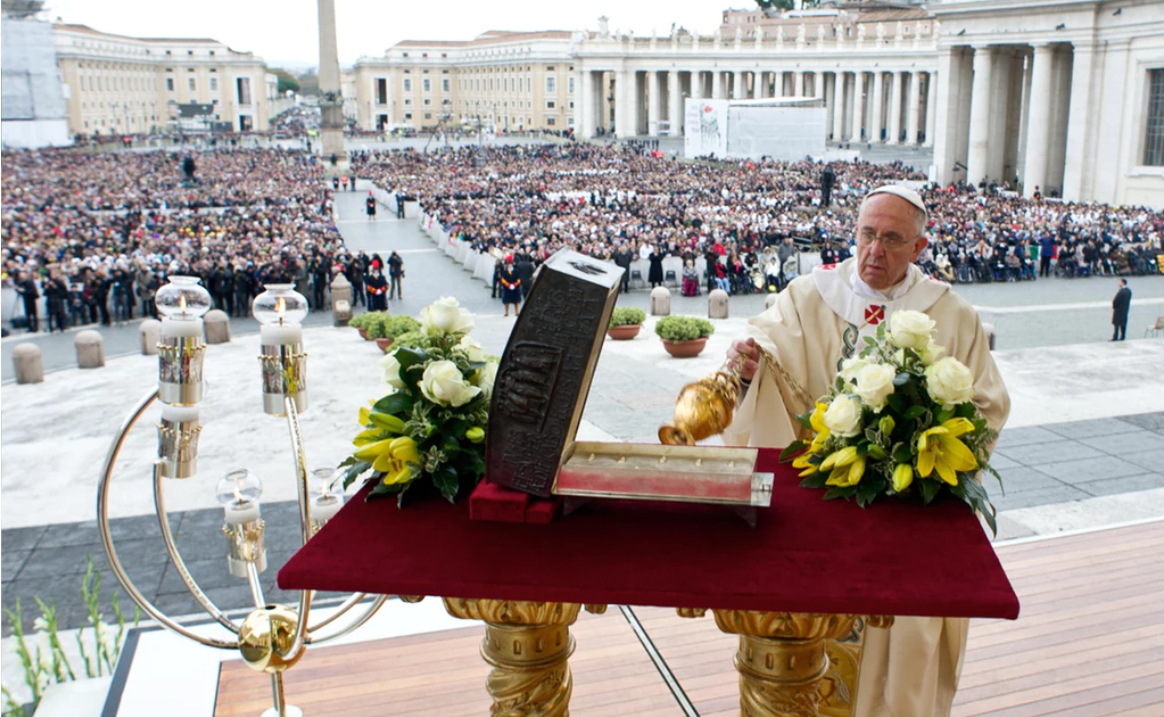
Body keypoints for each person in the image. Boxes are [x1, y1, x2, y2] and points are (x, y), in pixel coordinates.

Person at [725, 185, 1009, 717]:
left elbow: (987, 407)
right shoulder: (809, 297)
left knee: (898, 666)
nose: (874, 251)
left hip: (906, 523)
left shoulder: (949, 314)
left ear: (920, 248)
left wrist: (926, 457)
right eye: (867, 235)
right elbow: (762, 354)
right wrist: (748, 369)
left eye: (893, 239)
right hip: (819, 514)